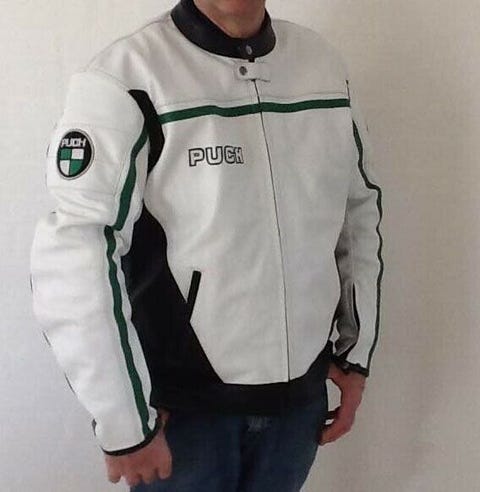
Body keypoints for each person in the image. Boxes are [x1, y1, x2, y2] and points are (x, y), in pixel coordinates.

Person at [29, 0, 383, 490]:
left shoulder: (321, 67)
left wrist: (355, 352)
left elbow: (358, 210)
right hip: (184, 420)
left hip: (298, 409)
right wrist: (124, 424)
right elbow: (76, 249)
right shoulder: (126, 77)